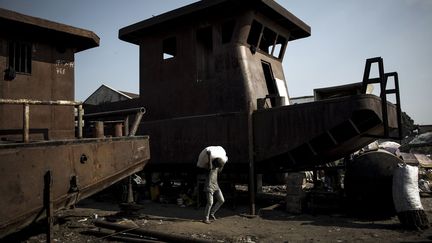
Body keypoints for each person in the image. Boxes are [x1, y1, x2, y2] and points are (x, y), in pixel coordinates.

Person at [197, 146, 228, 224]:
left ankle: (212, 213)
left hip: (216, 186)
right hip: (209, 187)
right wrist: (209, 155)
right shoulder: (208, 168)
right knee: (210, 203)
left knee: (222, 200)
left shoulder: (217, 168)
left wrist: (225, 160)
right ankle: (205, 218)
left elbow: (221, 168)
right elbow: (210, 165)